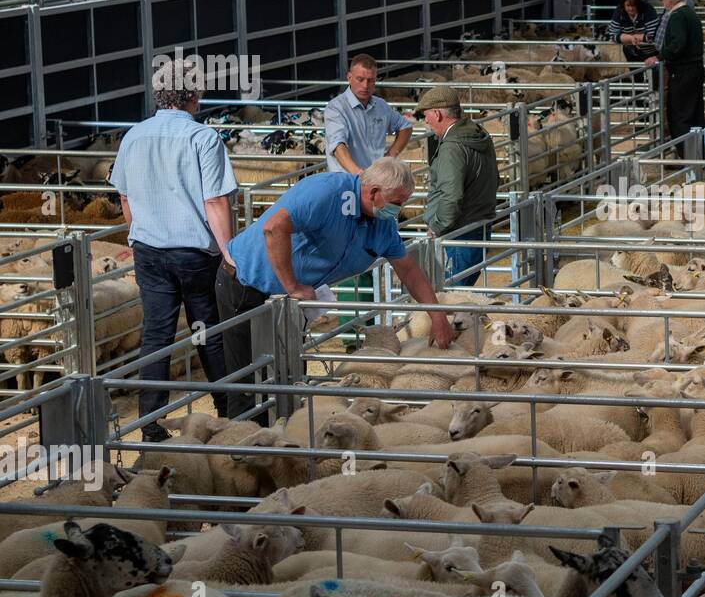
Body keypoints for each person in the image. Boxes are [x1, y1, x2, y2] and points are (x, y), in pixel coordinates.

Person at [216, 158, 454, 421]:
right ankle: (242, 448)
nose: (400, 209)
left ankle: (285, 438)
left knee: (290, 371)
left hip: (291, 299)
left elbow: (407, 268)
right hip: (247, 283)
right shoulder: (326, 193)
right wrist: (293, 286)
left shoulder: (382, 223)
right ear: (374, 193)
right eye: (397, 202)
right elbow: (274, 227)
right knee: (247, 377)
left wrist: (437, 314)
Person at [110, 76, 236, 438]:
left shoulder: (133, 135)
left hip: (150, 253)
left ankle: (150, 425)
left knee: (156, 334)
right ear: (193, 97)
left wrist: (138, 237)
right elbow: (214, 200)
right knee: (206, 332)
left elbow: (125, 196)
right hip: (194, 253)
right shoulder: (202, 137)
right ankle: (227, 411)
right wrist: (229, 253)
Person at [422, 88, 501, 287]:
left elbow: (451, 195)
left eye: (426, 115)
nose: (425, 122)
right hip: (479, 222)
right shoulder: (478, 134)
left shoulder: (452, 147)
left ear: (437, 114)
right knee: (461, 291)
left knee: (452, 296)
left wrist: (437, 226)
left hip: (459, 231)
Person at [324, 54, 413, 174]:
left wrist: (390, 156)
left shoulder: (381, 105)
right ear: (349, 77)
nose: (365, 86)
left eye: (370, 80)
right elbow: (338, 146)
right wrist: (358, 173)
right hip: (347, 180)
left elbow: (405, 126)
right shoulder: (336, 108)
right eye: (360, 79)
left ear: (376, 80)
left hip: (376, 177)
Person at [656, 0, 705, 158]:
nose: (662, 0)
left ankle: (689, 157)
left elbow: (677, 45)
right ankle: (700, 154)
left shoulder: (677, 17)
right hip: (695, 69)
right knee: (695, 114)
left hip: (683, 71)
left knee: (680, 116)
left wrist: (660, 56)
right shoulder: (690, 14)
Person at [606, 0, 660, 64]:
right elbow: (613, 34)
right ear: (623, 5)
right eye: (628, 5)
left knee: (656, 74)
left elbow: (654, 35)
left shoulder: (648, 9)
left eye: (633, 5)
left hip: (653, 52)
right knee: (635, 74)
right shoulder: (619, 11)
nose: (631, 9)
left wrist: (636, 37)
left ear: (638, 4)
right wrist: (630, 38)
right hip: (632, 51)